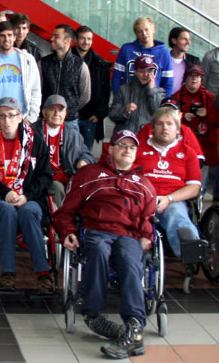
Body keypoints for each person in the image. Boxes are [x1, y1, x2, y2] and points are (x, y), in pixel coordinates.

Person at [53, 129, 156, 359]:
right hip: (96, 231)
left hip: (127, 234)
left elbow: (148, 219)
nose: (127, 150)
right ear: (111, 148)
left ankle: (134, 327)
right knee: (98, 251)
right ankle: (94, 315)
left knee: (131, 260)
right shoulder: (89, 174)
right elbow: (64, 212)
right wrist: (67, 232)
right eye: (122, 145)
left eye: (132, 147)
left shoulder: (144, 184)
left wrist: (147, 235)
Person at [0, 97, 54, 295]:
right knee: (7, 212)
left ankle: (43, 273)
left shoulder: (35, 141)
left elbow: (45, 177)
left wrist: (26, 195)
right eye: (2, 116)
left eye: (12, 116)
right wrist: (6, 192)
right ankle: (8, 272)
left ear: (21, 117)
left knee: (29, 212)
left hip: (28, 198)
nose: (7, 121)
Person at [132, 108, 200, 257]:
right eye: (160, 124)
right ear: (152, 128)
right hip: (140, 199)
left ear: (177, 129)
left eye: (169, 124)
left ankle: (191, 254)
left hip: (172, 200)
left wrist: (168, 199)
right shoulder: (137, 149)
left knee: (177, 215)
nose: (165, 128)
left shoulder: (188, 152)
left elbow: (194, 187)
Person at [33, 95, 93, 206]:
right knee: (56, 187)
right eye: (52, 109)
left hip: (68, 177)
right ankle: (59, 219)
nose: (57, 113)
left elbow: (87, 154)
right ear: (44, 112)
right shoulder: (33, 132)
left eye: (61, 110)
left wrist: (84, 160)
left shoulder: (73, 134)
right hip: (41, 177)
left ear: (65, 114)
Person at [0, 21, 42, 124]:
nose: (6, 39)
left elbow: (35, 90)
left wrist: (31, 117)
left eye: (10, 35)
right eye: (2, 36)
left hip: (20, 118)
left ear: (15, 37)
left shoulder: (27, 60)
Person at [173, 64, 219, 188]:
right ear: (185, 78)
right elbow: (167, 119)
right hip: (181, 147)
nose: (194, 79)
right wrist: (182, 117)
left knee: (201, 182)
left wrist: (208, 114)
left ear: (201, 79)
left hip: (204, 147)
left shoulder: (210, 98)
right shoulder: (175, 98)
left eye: (198, 76)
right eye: (191, 75)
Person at [40, 25, 91, 129]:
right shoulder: (43, 63)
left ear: (67, 40)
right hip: (46, 119)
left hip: (70, 121)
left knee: (70, 145)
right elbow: (37, 90)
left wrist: (68, 109)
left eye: (56, 36)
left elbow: (85, 95)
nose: (52, 39)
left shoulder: (80, 65)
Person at [112, 17, 172, 98]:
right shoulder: (126, 49)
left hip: (152, 101)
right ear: (136, 34)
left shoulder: (164, 52)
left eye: (146, 29)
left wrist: (163, 103)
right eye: (140, 31)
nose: (144, 34)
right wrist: (118, 98)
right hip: (128, 99)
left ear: (153, 29)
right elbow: (117, 76)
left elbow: (168, 82)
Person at [75, 26, 113, 148]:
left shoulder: (99, 62)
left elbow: (105, 91)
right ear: (76, 39)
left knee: (85, 154)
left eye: (89, 39)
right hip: (68, 116)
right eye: (82, 38)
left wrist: (99, 114)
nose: (86, 42)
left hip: (90, 117)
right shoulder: (66, 58)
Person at [111, 55, 166, 133]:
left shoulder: (160, 92)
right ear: (135, 72)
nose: (146, 75)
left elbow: (159, 114)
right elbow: (112, 114)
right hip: (126, 136)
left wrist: (152, 90)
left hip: (147, 137)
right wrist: (125, 110)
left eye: (149, 71)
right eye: (142, 71)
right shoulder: (123, 89)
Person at [166, 27, 200, 96]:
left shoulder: (194, 61)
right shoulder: (164, 60)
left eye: (189, 40)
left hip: (185, 102)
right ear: (174, 40)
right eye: (184, 39)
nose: (188, 42)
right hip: (166, 102)